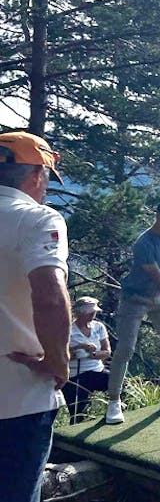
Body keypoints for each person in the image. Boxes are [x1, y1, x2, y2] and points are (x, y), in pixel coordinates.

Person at [0, 131, 71, 502]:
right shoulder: (35, 219)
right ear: (36, 177)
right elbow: (49, 296)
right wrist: (59, 361)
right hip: (17, 396)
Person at [105, 198, 160, 424]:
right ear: (158, 216)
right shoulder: (143, 243)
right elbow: (159, 282)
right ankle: (114, 402)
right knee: (126, 348)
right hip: (135, 298)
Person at [61, 297, 112, 424]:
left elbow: (107, 351)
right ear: (79, 313)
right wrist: (80, 348)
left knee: (118, 384)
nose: (92, 315)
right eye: (89, 312)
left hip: (97, 371)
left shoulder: (99, 327)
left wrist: (93, 355)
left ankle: (113, 413)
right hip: (76, 375)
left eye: (93, 312)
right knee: (77, 413)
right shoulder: (68, 330)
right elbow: (61, 355)